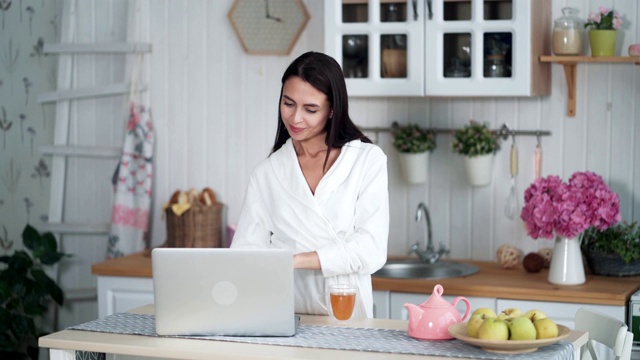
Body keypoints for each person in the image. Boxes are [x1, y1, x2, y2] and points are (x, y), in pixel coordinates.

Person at [231, 51, 389, 319]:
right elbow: (245, 254)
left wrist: (296, 260)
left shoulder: (366, 160)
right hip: (285, 311)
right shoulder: (267, 173)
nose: (295, 119)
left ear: (332, 110)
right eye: (288, 103)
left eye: (310, 109)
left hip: (346, 310)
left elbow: (371, 250)